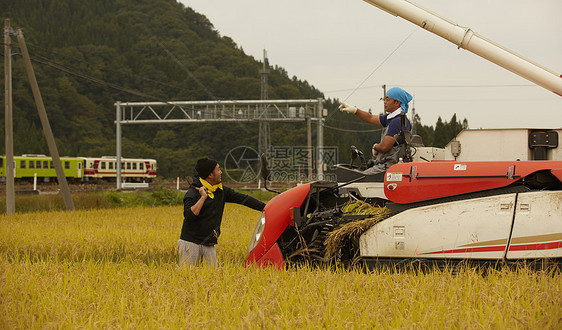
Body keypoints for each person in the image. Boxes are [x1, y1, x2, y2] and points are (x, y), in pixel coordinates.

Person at [178, 157, 266, 267]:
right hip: (190, 244)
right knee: (188, 277)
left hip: (209, 243)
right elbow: (189, 216)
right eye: (218, 169)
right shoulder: (193, 193)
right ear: (210, 175)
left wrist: (267, 207)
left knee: (212, 278)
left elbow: (244, 199)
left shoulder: (221, 190)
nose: (221, 172)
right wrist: (203, 198)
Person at [339, 87, 413, 175]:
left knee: (358, 179)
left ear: (397, 102)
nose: (385, 102)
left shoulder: (397, 121)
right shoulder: (393, 118)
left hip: (388, 167)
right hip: (386, 165)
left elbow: (385, 147)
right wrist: (355, 110)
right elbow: (370, 118)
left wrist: (375, 147)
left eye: (387, 99)